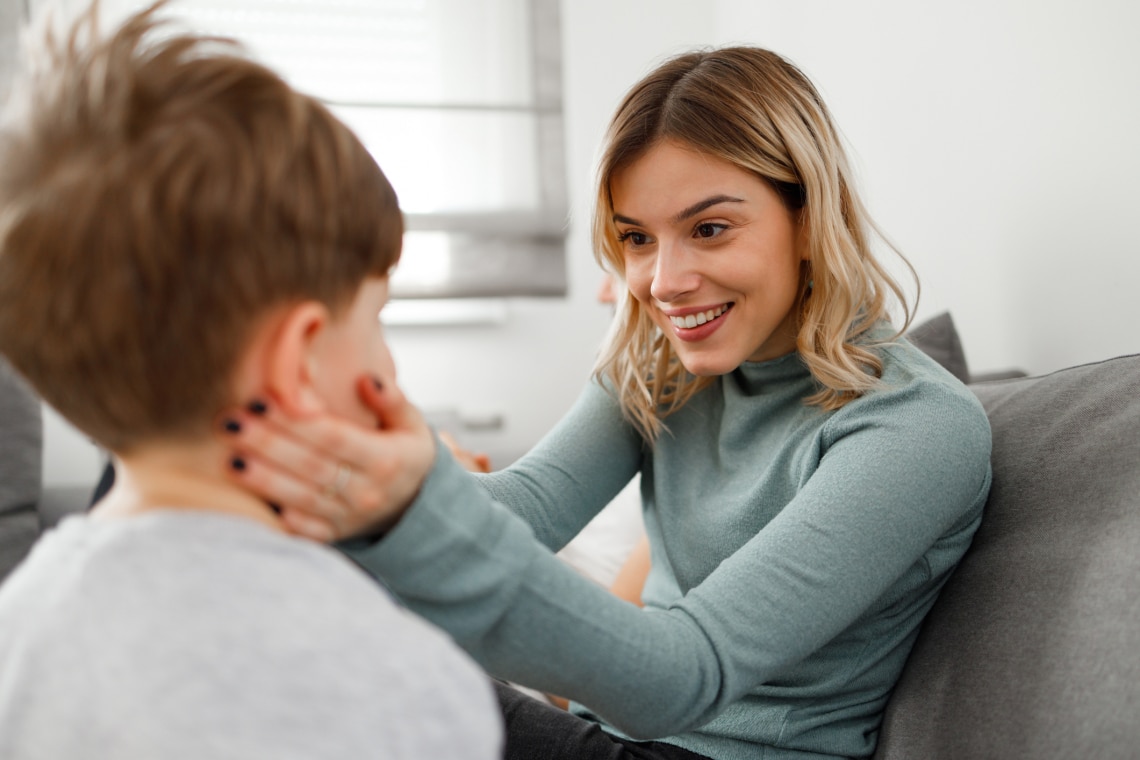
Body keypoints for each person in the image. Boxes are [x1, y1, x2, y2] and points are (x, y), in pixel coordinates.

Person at [220, 46, 993, 760]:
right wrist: (380, 469)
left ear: (808, 219)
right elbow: (526, 506)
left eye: (709, 229)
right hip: (606, 735)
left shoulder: (914, 427)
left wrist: (403, 512)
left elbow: (685, 672)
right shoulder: (661, 368)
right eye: (636, 239)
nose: (664, 282)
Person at [0, 4, 501, 759]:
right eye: (377, 317)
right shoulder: (409, 683)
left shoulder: (19, 625)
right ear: (298, 358)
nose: (389, 364)